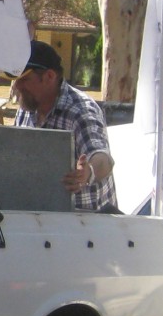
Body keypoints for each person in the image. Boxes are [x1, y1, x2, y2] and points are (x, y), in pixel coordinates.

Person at [11, 39, 118, 212]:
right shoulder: (27, 108)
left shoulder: (81, 111)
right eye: (16, 79)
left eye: (24, 79)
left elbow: (104, 160)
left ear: (50, 77)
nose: (17, 86)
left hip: (85, 228)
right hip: (40, 218)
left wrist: (87, 172)